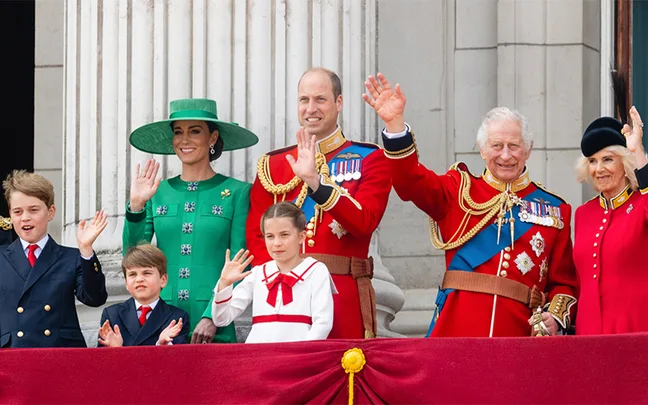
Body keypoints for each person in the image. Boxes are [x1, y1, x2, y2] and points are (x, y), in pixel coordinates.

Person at [363, 73, 578, 337]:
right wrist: (395, 126)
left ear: (528, 149)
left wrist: (555, 317)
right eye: (497, 146)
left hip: (520, 335)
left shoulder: (555, 210)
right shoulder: (458, 189)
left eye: (514, 146)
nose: (506, 155)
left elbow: (564, 283)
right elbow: (410, 183)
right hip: (457, 330)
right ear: (482, 149)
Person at [246, 68, 391, 339]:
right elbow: (256, 235)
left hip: (340, 294)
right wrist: (279, 283)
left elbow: (364, 222)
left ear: (338, 103)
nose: (310, 108)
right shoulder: (273, 165)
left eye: (320, 99)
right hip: (282, 296)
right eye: (304, 100)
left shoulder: (370, 159)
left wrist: (317, 184)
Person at [123, 98, 258, 344]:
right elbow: (133, 257)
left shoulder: (238, 192)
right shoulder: (158, 192)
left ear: (213, 138)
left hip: (214, 325)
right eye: (178, 132)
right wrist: (136, 205)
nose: (184, 140)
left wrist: (213, 316)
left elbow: (242, 263)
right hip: (161, 322)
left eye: (195, 131)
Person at [0, 170, 108, 348]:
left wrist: (86, 250)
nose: (25, 217)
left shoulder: (71, 258)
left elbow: (94, 298)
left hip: (59, 355)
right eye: (17, 212)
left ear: (50, 212)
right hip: (12, 357)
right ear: (10, 216)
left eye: (33, 210)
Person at [213, 202, 334, 343]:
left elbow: (323, 324)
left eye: (284, 235)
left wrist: (300, 355)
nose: (277, 243)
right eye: (270, 236)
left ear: (301, 237)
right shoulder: (258, 273)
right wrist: (224, 284)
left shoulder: (316, 270)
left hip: (298, 357)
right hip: (258, 357)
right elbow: (221, 319)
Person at [573, 106, 647, 334]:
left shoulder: (641, 204)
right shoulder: (583, 214)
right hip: (590, 332)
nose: (599, 169)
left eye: (607, 159)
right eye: (593, 161)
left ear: (624, 164)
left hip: (636, 328)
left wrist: (637, 152)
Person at [98, 244, 190, 346]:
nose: (139, 279)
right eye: (132, 274)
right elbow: (100, 359)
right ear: (126, 283)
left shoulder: (176, 318)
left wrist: (161, 345)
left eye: (147, 273)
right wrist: (116, 350)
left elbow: (179, 359)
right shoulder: (112, 315)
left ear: (163, 280)